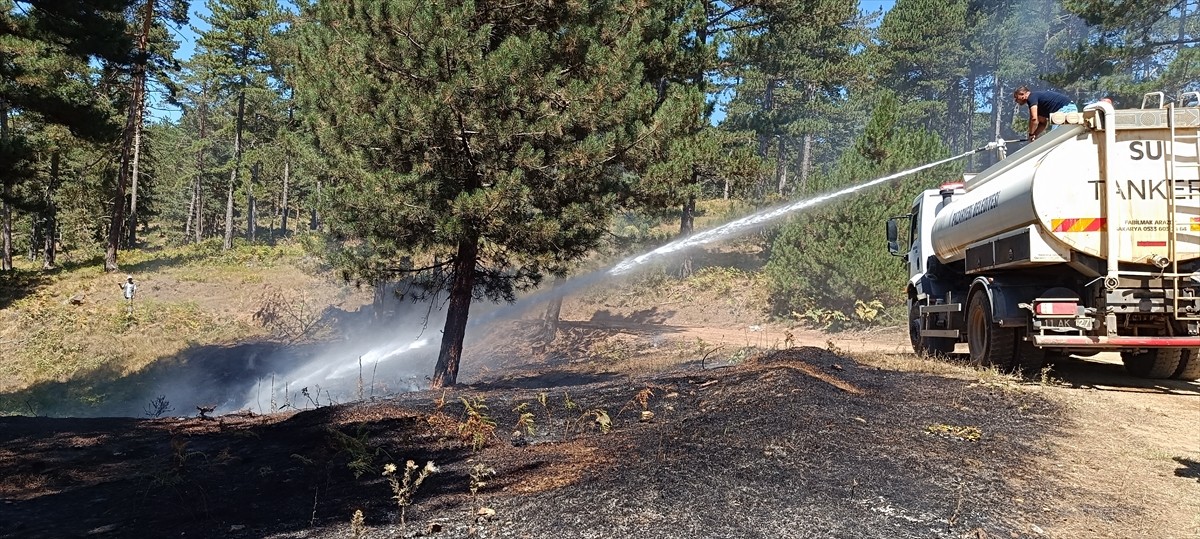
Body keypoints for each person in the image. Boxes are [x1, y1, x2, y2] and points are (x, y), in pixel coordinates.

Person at [1013, 86, 1077, 141]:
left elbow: (1034, 119)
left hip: (1065, 110)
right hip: (1069, 109)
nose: (1016, 101)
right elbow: (1043, 123)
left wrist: (1031, 134)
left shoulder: (1031, 97)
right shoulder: (1037, 104)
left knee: (1055, 138)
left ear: (1022, 94)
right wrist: (1035, 134)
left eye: (1016, 98)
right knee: (1056, 137)